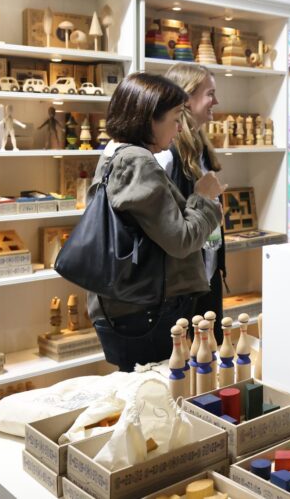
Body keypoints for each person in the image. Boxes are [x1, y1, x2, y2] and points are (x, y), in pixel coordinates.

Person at [90, 73, 225, 371]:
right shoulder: (138, 162)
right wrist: (203, 198)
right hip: (146, 310)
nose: (180, 127)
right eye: (175, 118)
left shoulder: (116, 154)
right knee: (159, 390)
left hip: (129, 304)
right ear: (151, 118)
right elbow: (181, 240)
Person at [164, 63, 227, 343]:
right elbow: (170, 222)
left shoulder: (200, 148)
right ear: (186, 98)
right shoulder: (169, 153)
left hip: (206, 270)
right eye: (209, 94)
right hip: (184, 280)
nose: (216, 101)